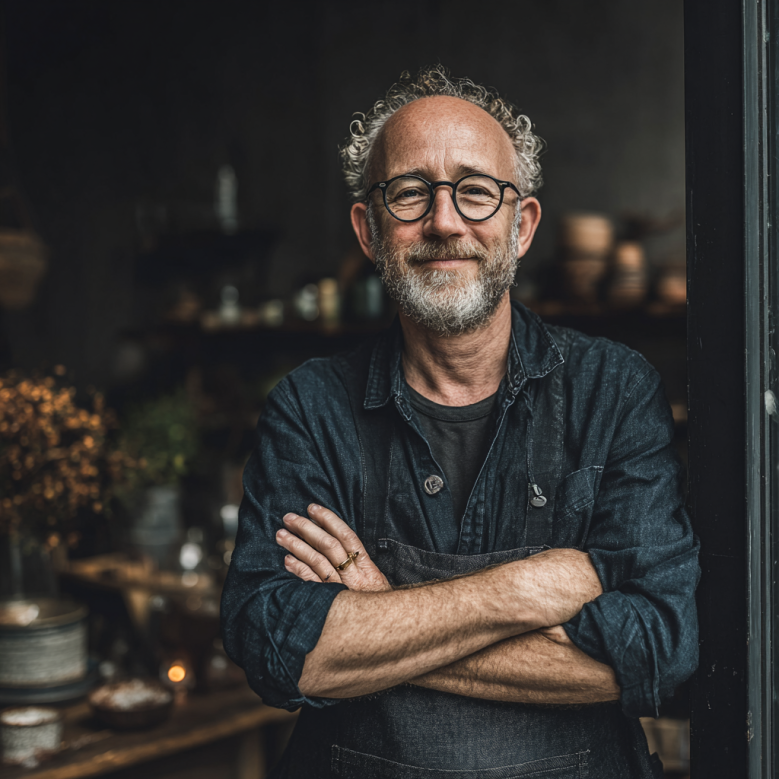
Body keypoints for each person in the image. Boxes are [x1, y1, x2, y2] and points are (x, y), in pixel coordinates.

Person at [221, 65, 699, 779]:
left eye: (475, 190)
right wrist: (523, 590)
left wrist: (379, 613)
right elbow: (278, 646)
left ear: (521, 226)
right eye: (410, 192)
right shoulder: (310, 406)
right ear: (369, 230)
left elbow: (657, 649)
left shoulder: (614, 390)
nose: (444, 222)